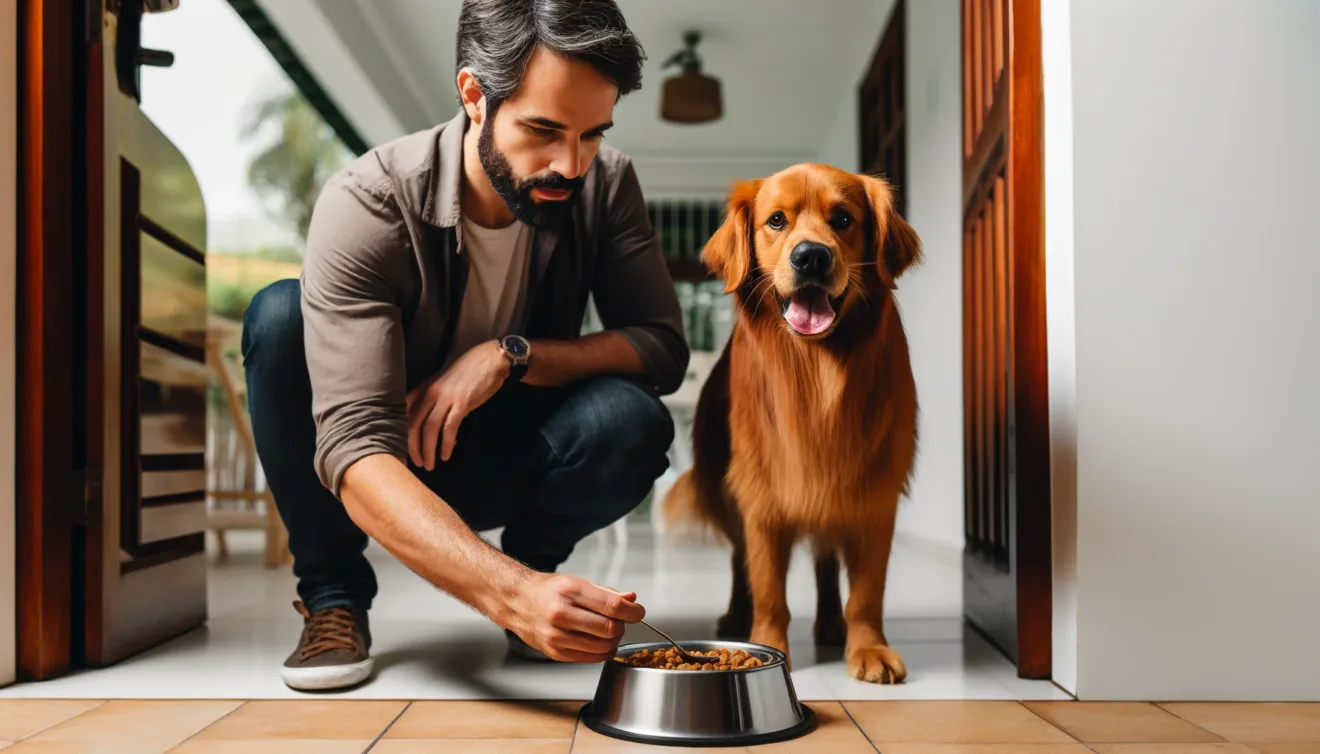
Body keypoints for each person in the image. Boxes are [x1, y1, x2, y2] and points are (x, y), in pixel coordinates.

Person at [241, 0, 688, 691]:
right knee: (278, 316)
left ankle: (536, 571)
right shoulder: (369, 201)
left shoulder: (604, 183)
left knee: (633, 418)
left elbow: (661, 349)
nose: (569, 165)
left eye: (592, 134)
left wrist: (510, 356)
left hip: (511, 456)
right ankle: (334, 598)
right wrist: (505, 590)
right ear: (475, 95)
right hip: (390, 463)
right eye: (542, 129)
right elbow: (356, 447)